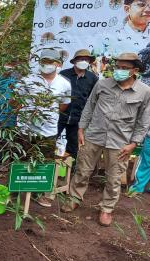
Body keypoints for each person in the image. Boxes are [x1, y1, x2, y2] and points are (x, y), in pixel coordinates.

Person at [62, 53, 150, 226]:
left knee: (114, 177)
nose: (119, 71)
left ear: (135, 71)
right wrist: (81, 128)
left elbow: (144, 120)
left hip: (121, 142)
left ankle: (107, 209)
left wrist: (134, 143)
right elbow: (89, 107)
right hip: (94, 135)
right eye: (117, 67)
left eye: (124, 68)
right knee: (83, 170)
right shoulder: (102, 84)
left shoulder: (144, 91)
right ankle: (74, 198)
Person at [17, 49, 71, 207]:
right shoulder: (27, 80)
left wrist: (48, 114)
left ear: (58, 64)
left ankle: (40, 194)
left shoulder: (64, 84)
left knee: (45, 162)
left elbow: (63, 104)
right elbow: (16, 101)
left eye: (50, 62)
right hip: (26, 129)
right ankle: (19, 192)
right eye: (44, 61)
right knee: (23, 160)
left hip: (48, 131)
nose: (46, 65)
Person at [58, 49, 99, 160]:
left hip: (78, 119)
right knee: (49, 142)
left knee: (74, 145)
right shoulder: (63, 75)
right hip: (59, 115)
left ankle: (71, 170)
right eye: (81, 59)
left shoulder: (92, 78)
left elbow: (93, 99)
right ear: (75, 61)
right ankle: (48, 168)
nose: (84, 61)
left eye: (86, 59)